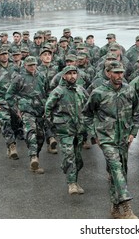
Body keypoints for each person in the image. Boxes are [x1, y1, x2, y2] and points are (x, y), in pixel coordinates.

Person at [82, 60, 139, 219]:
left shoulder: (129, 90)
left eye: (121, 72)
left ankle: (115, 209)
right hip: (106, 138)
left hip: (124, 138)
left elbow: (137, 112)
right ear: (108, 73)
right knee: (115, 167)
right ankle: (127, 208)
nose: (119, 75)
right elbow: (86, 114)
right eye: (115, 72)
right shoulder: (98, 93)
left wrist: (133, 132)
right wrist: (94, 134)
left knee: (122, 172)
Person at [45, 66, 89, 195]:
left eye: (74, 73)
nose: (72, 76)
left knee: (78, 158)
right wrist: (53, 127)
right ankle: (71, 183)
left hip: (79, 129)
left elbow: (88, 107)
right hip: (64, 130)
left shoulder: (81, 90)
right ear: (64, 76)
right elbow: (48, 109)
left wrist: (88, 125)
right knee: (69, 155)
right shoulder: (58, 91)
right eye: (69, 74)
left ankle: (73, 177)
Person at [6, 56, 48, 174]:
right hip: (26, 110)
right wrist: (16, 109)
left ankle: (35, 157)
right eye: (30, 65)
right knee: (31, 132)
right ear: (25, 66)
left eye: (34, 65)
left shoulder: (42, 76)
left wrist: (47, 107)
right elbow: (9, 95)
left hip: (40, 110)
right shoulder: (19, 78)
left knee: (40, 137)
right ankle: (33, 157)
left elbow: (47, 92)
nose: (32, 67)